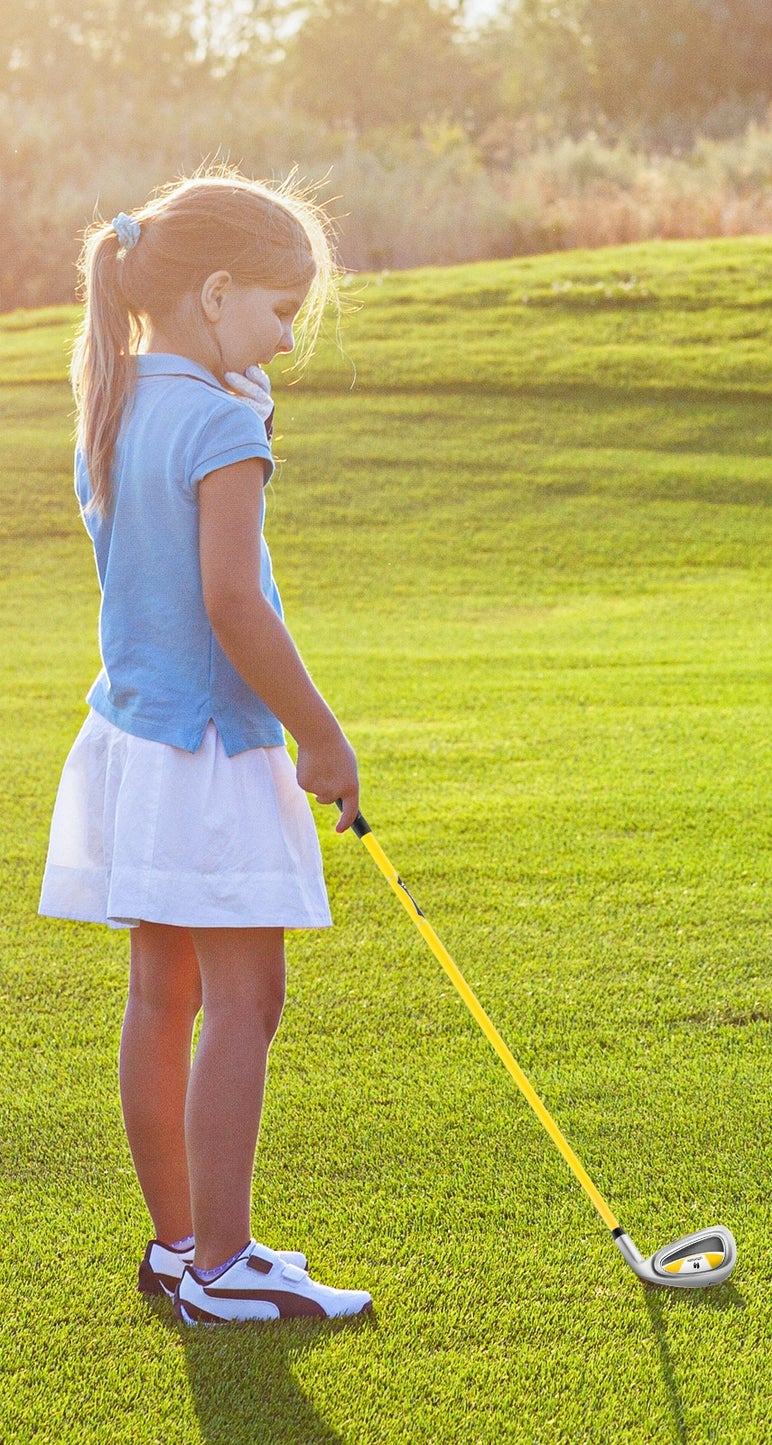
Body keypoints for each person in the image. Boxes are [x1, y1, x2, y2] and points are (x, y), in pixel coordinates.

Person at [38, 171, 374, 1322]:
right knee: (247, 994)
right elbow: (235, 601)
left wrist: (238, 385)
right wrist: (322, 736)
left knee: (160, 991)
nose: (286, 339)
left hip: (135, 741)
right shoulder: (222, 421)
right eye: (280, 312)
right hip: (215, 749)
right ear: (217, 290)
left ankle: (182, 1247)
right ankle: (225, 1269)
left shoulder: (116, 394)